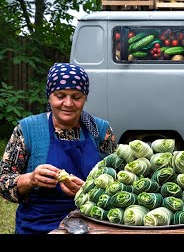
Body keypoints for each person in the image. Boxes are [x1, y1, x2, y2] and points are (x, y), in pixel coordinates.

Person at [0, 63, 118, 234]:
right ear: (49, 96)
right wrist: (31, 179)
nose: (68, 103)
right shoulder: (28, 129)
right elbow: (3, 182)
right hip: (38, 225)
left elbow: (119, 183)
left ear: (85, 97)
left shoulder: (100, 130)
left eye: (76, 97)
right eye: (60, 95)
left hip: (91, 222)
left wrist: (88, 191)